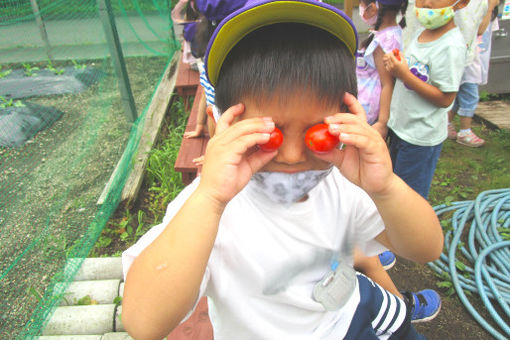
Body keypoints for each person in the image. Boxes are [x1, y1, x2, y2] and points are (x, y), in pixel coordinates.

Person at [121, 1, 443, 339]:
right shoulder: (206, 212)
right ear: (226, 126)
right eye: (268, 135)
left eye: (315, 134)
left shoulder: (343, 186)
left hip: (347, 317)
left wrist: (386, 187)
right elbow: (144, 323)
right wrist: (210, 199)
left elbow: (426, 249)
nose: (291, 156)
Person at [383, 0, 469, 200]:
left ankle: (409, 230)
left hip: (420, 137)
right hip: (401, 128)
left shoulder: (451, 46)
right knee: (393, 187)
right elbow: (416, 70)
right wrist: (398, 65)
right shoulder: (422, 33)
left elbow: (446, 98)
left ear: (461, 3)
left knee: (408, 196)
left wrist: (405, 75)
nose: (426, 2)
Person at [447, 0, 500, 147]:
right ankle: (465, 131)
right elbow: (481, 29)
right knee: (470, 95)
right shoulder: (474, 5)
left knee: (456, 93)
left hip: (468, 54)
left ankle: (447, 124)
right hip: (466, 56)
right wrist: (490, 6)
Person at [356, 0, 408, 138]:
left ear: (372, 8)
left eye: (361, 4)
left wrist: (382, 123)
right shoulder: (392, 32)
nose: (360, 8)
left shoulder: (384, 41)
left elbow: (388, 84)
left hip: (367, 111)